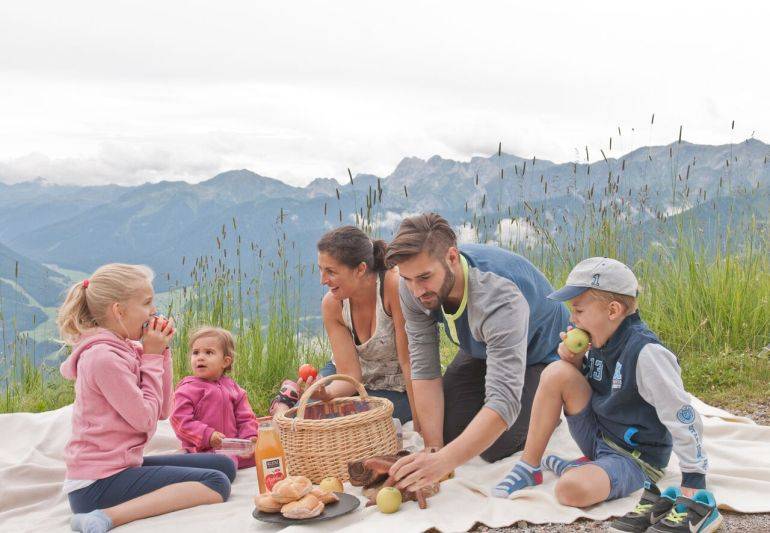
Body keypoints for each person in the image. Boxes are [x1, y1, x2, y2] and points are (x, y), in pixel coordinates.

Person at [491, 257, 718, 533]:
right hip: (598, 435)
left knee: (569, 490)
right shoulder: (600, 338)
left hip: (633, 458)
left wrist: (694, 476)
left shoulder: (647, 354)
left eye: (578, 310)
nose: (572, 319)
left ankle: (582, 469)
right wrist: (573, 362)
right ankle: (529, 466)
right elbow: (592, 384)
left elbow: (681, 414)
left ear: (612, 310)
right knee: (556, 371)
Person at [386, 213, 569, 490]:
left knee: (496, 444)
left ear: (451, 257)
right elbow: (424, 367)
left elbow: (504, 401)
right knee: (447, 432)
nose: (416, 290)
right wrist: (433, 452)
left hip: (541, 354)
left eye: (424, 277)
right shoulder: (412, 285)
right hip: (482, 346)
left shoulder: (498, 296)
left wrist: (444, 463)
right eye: (408, 279)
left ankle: (551, 407)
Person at [58, 264, 235, 533]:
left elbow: (163, 409)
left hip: (122, 466)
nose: (154, 311)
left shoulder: (125, 348)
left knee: (224, 464)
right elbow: (145, 420)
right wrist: (150, 357)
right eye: (147, 303)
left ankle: (122, 504)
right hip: (95, 486)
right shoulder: (102, 358)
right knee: (216, 483)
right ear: (119, 311)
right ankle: (104, 517)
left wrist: (161, 354)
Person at [270, 226, 418, 426]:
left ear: (360, 269)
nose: (323, 281)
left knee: (359, 422)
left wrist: (420, 425)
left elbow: (410, 363)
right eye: (321, 270)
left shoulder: (393, 286)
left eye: (331, 272)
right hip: (348, 376)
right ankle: (286, 401)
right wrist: (326, 393)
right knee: (309, 420)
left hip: (394, 386)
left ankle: (290, 399)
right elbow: (350, 374)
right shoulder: (332, 304)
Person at [171, 326, 258, 469]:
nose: (200, 357)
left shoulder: (234, 389)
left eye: (209, 352)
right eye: (195, 352)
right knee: (223, 463)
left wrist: (248, 438)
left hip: (232, 448)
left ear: (225, 361)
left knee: (264, 454)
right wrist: (207, 435)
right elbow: (180, 420)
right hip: (200, 449)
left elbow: (246, 418)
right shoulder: (187, 389)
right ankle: (184, 459)